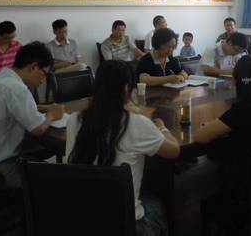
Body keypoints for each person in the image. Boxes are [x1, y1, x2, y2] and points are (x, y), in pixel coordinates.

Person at [66, 60, 180, 236]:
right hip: (124, 224)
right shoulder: (135, 123)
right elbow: (174, 151)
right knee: (157, 203)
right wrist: (162, 128)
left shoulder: (74, 119)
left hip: (82, 218)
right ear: (127, 89)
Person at [0, 42, 64, 234]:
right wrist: (53, 114)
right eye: (43, 74)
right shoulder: (18, 89)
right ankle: (1, 223)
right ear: (33, 67)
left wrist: (43, 108)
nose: (42, 80)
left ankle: (10, 212)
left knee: (40, 151)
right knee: (51, 179)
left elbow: (14, 106)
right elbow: (38, 128)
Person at [194, 56, 251, 228]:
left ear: (236, 81)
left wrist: (210, 124)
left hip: (244, 190)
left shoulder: (241, 110)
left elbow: (200, 136)